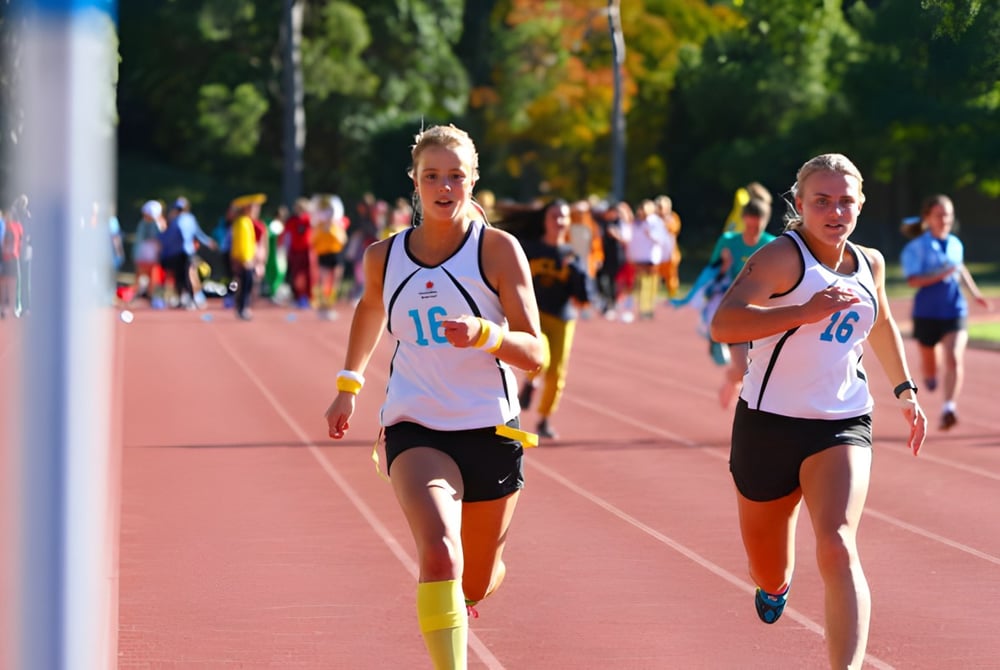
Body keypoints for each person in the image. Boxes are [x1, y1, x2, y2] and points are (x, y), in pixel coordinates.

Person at [324, 124, 543, 670]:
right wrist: (348, 386)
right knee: (441, 549)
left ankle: (479, 584)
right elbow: (371, 309)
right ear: (414, 183)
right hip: (414, 426)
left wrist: (485, 334)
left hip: (490, 428)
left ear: (472, 181)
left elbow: (535, 351)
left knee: (476, 579)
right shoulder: (385, 256)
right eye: (432, 177)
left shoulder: (497, 250)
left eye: (455, 177)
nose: (444, 188)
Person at [710, 153, 927, 669]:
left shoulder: (869, 262)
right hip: (768, 426)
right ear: (801, 205)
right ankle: (775, 585)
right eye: (822, 201)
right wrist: (802, 312)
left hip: (841, 422)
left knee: (836, 543)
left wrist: (905, 391)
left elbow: (881, 323)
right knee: (767, 567)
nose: (835, 211)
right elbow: (725, 324)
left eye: (845, 201)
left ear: (860, 204)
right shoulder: (780, 259)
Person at [900, 194, 992, 431]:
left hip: (954, 310)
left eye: (948, 215)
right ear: (928, 218)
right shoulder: (916, 247)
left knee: (953, 357)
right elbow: (912, 281)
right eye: (939, 215)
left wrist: (975, 293)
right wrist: (940, 275)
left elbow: (959, 268)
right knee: (930, 366)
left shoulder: (955, 243)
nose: (945, 220)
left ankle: (948, 407)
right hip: (926, 313)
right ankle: (930, 377)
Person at [514, 199, 595, 439]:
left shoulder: (572, 255)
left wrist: (579, 273)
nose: (559, 221)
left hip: (563, 318)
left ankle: (544, 419)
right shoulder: (528, 249)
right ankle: (530, 383)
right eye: (553, 216)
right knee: (542, 361)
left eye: (563, 217)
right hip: (535, 316)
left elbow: (584, 296)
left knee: (557, 374)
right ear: (544, 220)